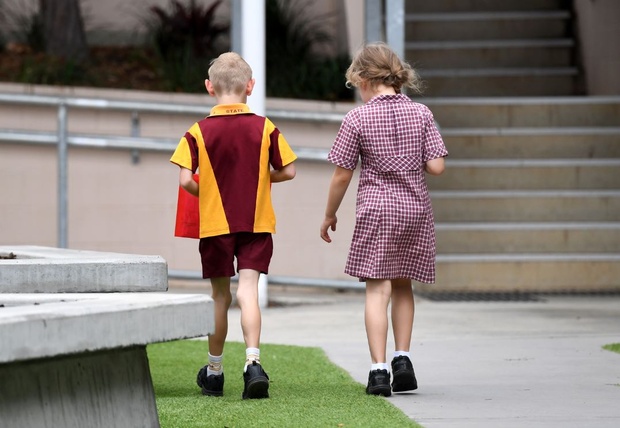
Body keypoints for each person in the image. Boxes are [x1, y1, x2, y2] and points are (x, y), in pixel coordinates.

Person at [319, 42, 447, 397]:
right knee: (403, 285)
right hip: (414, 210)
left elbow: (342, 174)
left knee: (378, 290)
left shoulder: (357, 118)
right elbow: (437, 166)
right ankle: (402, 360)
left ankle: (378, 372)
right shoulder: (421, 113)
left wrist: (329, 213)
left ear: (363, 79)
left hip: (377, 210)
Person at [170, 52, 297, 399]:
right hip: (256, 223)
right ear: (250, 86)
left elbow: (186, 180)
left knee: (220, 296)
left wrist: (210, 192)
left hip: (215, 226)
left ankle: (214, 373)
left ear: (209, 87)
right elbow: (288, 170)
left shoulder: (197, 132)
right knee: (248, 292)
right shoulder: (265, 127)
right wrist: (262, 179)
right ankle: (253, 363)